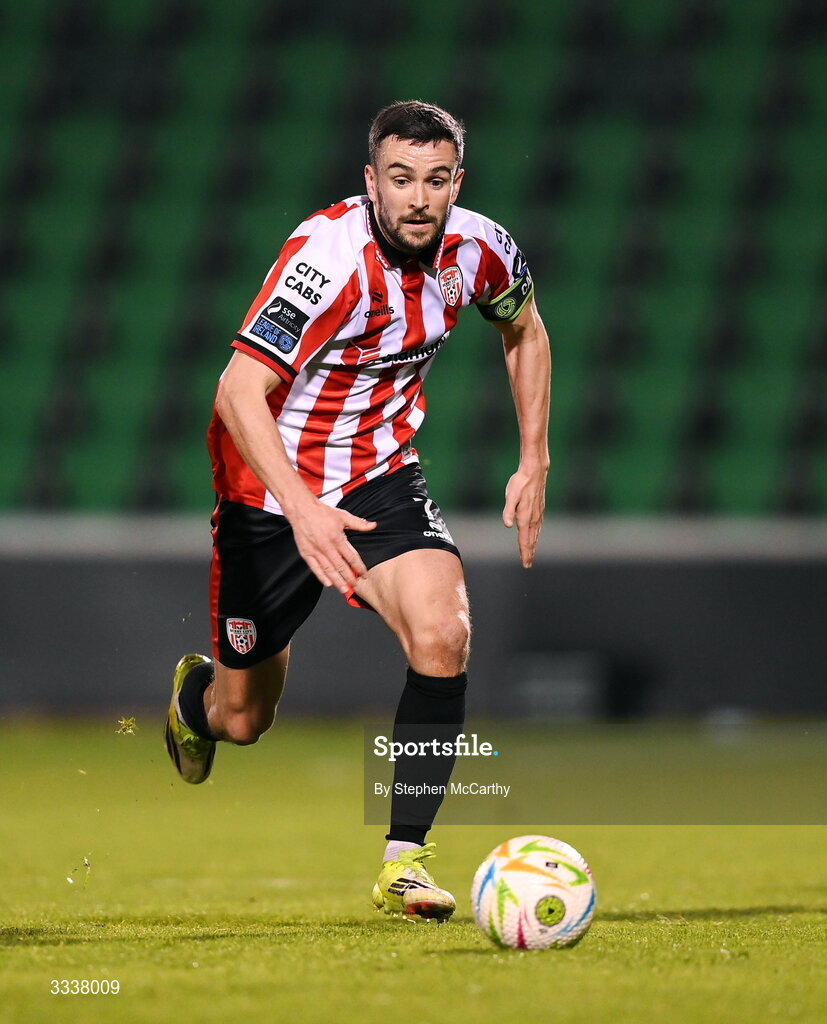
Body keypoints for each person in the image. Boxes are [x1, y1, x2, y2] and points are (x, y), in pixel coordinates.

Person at [164, 100, 551, 921]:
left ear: (456, 183)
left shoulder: (480, 248)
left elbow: (524, 330)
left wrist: (534, 455)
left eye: (436, 179)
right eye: (401, 179)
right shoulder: (324, 259)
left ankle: (403, 860)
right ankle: (197, 704)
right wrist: (301, 510)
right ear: (370, 181)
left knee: (443, 634)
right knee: (243, 721)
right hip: (268, 497)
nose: (419, 198)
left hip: (378, 476)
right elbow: (238, 390)